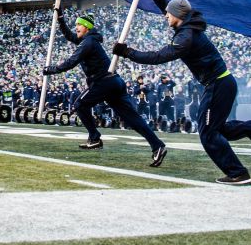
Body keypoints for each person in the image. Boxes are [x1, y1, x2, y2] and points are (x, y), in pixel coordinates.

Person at [113, 0, 251, 185]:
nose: (165, 16)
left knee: (207, 133)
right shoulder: (186, 25)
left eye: (168, 14)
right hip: (221, 82)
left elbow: (158, 57)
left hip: (217, 84)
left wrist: (127, 52)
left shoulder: (186, 37)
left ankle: (238, 172)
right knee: (216, 128)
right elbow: (166, 6)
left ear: (178, 16)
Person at [43, 10, 167, 168]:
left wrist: (51, 69)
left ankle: (94, 138)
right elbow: (69, 36)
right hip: (114, 81)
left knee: (80, 105)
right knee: (132, 119)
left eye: (79, 24)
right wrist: (60, 19)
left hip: (103, 82)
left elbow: (72, 61)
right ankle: (158, 146)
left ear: (87, 27)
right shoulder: (88, 41)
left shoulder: (87, 43)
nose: (76, 27)